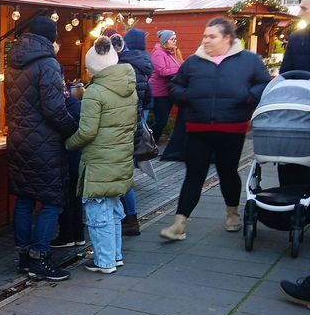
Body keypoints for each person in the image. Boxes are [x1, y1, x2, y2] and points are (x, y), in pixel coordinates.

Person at [160, 17, 271, 241]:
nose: (206, 40)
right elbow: (175, 85)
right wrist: (185, 96)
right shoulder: (193, 61)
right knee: (194, 174)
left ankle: (232, 214)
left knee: (227, 172)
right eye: (204, 36)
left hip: (231, 128)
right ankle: (179, 224)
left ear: (227, 38)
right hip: (198, 128)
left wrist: (248, 98)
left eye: (212, 36)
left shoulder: (249, 61)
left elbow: (263, 83)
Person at [5, 15, 78, 281]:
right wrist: (73, 130)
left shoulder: (12, 62)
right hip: (45, 144)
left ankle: (24, 258)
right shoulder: (48, 64)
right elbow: (54, 109)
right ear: (51, 38)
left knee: (24, 199)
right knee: (52, 201)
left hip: (18, 140)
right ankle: (40, 258)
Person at [66, 36, 137, 274]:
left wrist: (68, 144)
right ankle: (114, 256)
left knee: (98, 212)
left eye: (88, 67)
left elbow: (86, 132)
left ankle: (104, 260)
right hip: (121, 156)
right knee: (114, 209)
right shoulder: (129, 87)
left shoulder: (95, 92)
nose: (86, 71)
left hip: (99, 160)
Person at [113, 29, 153, 236]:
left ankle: (129, 219)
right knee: (126, 173)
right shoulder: (144, 65)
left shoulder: (122, 67)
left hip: (120, 126)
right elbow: (148, 100)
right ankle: (130, 218)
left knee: (120, 174)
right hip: (135, 124)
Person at [277, 0, 310, 187]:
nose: (299, 13)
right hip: (299, 105)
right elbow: (286, 71)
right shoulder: (298, 37)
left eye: (304, 9)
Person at [50, 80, 85, 248]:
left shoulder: (60, 109)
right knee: (75, 197)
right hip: (78, 156)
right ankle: (79, 235)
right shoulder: (77, 105)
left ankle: (67, 235)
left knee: (65, 197)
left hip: (66, 156)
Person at [150, 29, 182, 142]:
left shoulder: (173, 53)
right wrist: (179, 69)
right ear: (165, 41)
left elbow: (180, 64)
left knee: (162, 121)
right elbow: (162, 71)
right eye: (172, 39)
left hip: (168, 91)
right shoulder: (158, 53)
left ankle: (153, 143)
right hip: (158, 92)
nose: (175, 41)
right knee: (161, 121)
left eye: (175, 39)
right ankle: (149, 142)